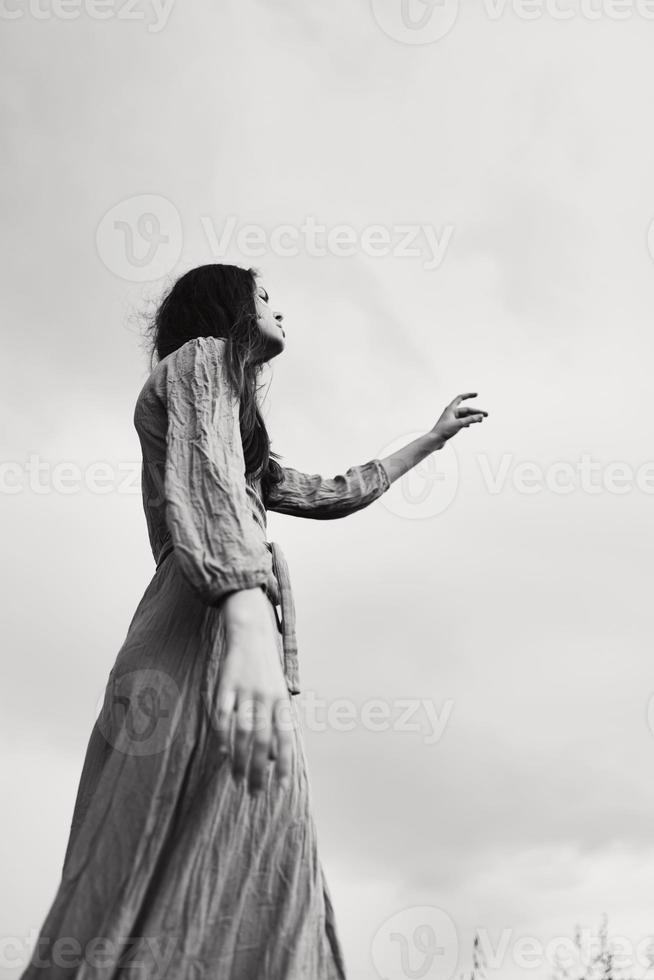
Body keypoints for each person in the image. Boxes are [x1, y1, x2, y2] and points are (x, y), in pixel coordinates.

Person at [19, 263, 487, 980]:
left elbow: (331, 492)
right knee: (167, 851)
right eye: (263, 296)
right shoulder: (201, 361)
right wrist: (244, 615)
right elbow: (208, 486)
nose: (277, 309)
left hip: (218, 617)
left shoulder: (242, 436)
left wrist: (428, 440)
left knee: (249, 841)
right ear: (225, 309)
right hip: (201, 621)